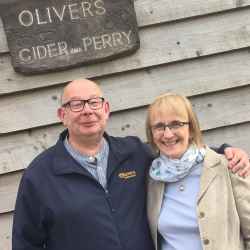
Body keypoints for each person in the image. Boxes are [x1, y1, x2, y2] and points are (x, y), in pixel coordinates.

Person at [12, 79, 249, 250]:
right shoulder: (40, 175)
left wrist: (226, 151)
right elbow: (25, 243)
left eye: (94, 103)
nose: (87, 111)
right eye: (76, 104)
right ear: (61, 115)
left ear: (106, 110)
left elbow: (177, 154)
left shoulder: (134, 153)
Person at [146, 93, 250, 250]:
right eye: (159, 126)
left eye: (176, 124)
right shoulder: (152, 179)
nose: (167, 134)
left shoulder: (229, 166)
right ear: (152, 134)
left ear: (192, 129)